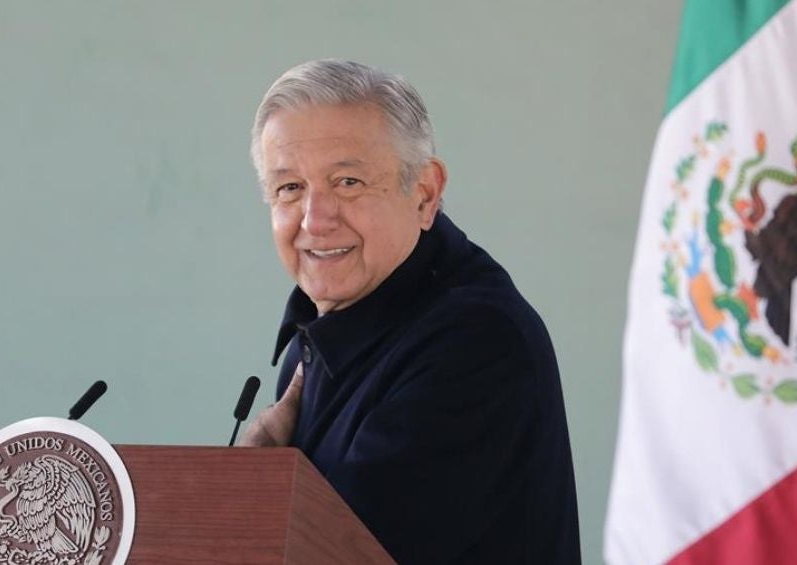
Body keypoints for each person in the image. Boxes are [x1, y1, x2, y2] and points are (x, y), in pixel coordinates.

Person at [239, 59, 580, 564]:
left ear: (424, 194)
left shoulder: (475, 343)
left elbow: (339, 555)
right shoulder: (315, 339)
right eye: (290, 188)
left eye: (348, 182)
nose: (315, 220)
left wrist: (243, 494)